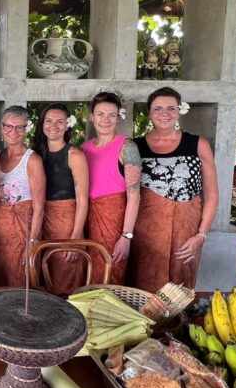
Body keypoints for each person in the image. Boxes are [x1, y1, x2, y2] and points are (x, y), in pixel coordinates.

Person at [129, 87, 219, 292]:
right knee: (144, 283)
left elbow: (212, 195)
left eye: (171, 108)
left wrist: (201, 235)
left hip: (187, 228)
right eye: (158, 108)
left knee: (180, 283)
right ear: (149, 112)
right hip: (146, 230)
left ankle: (178, 324)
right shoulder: (134, 147)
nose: (164, 114)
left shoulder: (197, 144)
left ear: (179, 111)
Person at [83, 92, 141, 285]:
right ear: (91, 116)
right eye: (100, 114)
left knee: (110, 272)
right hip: (86, 219)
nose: (105, 120)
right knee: (86, 273)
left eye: (111, 115)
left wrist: (126, 236)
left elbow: (134, 196)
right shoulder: (84, 148)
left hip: (113, 221)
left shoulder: (127, 147)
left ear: (118, 117)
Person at [32, 103, 89, 295]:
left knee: (66, 274)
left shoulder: (74, 155)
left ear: (68, 125)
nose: (53, 126)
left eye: (59, 121)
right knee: (41, 275)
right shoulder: (36, 153)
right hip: (40, 219)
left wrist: (75, 237)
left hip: (67, 221)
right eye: (49, 121)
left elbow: (82, 200)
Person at [0, 106, 45, 287]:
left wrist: (32, 242)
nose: (13, 132)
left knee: (21, 282)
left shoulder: (32, 160)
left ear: (25, 130)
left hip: (22, 234)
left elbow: (39, 207)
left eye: (19, 127)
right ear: (1, 128)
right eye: (8, 126)